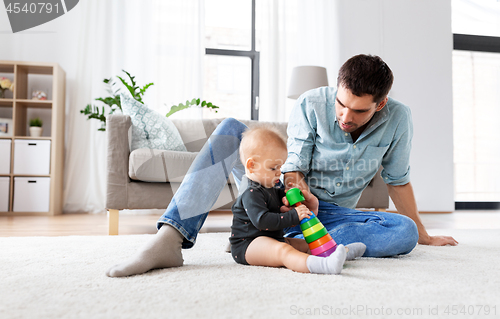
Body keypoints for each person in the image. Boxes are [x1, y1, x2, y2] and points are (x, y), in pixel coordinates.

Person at [106, 54, 457, 278]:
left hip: (330, 214)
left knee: (404, 232)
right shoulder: (310, 103)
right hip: (282, 196)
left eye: (359, 111)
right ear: (336, 89)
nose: (345, 116)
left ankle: (279, 238)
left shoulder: (399, 119)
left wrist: (423, 234)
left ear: (380, 105)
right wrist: (296, 198)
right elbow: (293, 162)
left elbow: (398, 180)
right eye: (340, 104)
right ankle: (170, 238)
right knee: (230, 131)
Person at [229, 124, 366, 274]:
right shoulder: (251, 191)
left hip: (272, 238)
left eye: (280, 167)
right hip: (248, 245)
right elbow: (262, 221)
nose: (279, 173)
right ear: (252, 165)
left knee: (305, 244)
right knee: (283, 251)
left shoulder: (271, 183)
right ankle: (325, 266)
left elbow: (284, 201)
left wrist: (292, 197)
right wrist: (294, 215)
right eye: (273, 168)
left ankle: (339, 252)